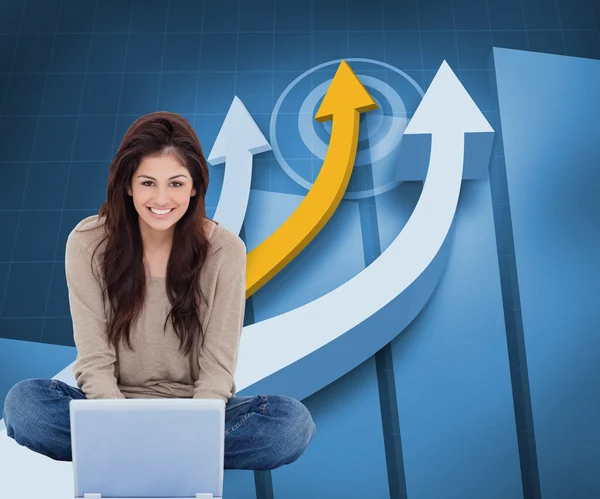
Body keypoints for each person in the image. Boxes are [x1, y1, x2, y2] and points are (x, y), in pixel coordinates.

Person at [2, 111, 316, 470]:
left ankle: (131, 456)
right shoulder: (88, 242)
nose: (162, 198)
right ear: (128, 185)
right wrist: (118, 421)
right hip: (109, 408)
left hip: (195, 413)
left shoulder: (225, 250)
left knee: (290, 425)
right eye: (148, 183)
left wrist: (196, 428)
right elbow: (93, 359)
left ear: (196, 186)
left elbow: (217, 369)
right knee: (25, 405)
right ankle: (172, 459)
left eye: (176, 184)